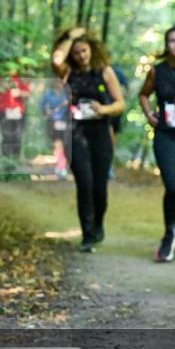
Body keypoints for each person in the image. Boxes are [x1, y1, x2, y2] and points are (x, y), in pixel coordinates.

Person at [51, 27, 125, 252]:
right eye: (76, 52)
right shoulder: (68, 72)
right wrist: (71, 37)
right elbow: (56, 60)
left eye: (84, 50)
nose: (81, 56)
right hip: (75, 133)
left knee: (99, 187)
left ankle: (98, 224)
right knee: (84, 184)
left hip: (100, 134)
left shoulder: (105, 72)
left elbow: (120, 104)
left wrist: (103, 109)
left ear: (91, 50)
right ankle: (88, 234)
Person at [138, 27, 175, 262]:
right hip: (166, 134)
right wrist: (149, 113)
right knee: (174, 185)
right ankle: (168, 235)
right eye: (172, 41)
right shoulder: (157, 71)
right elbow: (143, 94)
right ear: (166, 45)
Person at [0, 73, 30, 158]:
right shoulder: (0, 76)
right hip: (4, 111)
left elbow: (27, 93)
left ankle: (15, 158)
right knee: (7, 136)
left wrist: (19, 92)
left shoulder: (20, 77)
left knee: (17, 136)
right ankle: (6, 159)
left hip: (18, 111)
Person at [41, 79, 71, 178]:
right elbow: (42, 106)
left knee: (66, 145)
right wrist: (46, 111)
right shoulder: (48, 94)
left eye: (60, 82)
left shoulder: (67, 94)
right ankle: (60, 166)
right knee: (58, 144)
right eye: (57, 82)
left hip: (66, 122)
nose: (59, 84)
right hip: (53, 122)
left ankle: (65, 165)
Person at [108, 64, 130, 180]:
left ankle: (108, 167)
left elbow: (127, 89)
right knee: (110, 140)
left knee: (111, 140)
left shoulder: (114, 71)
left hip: (114, 112)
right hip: (106, 111)